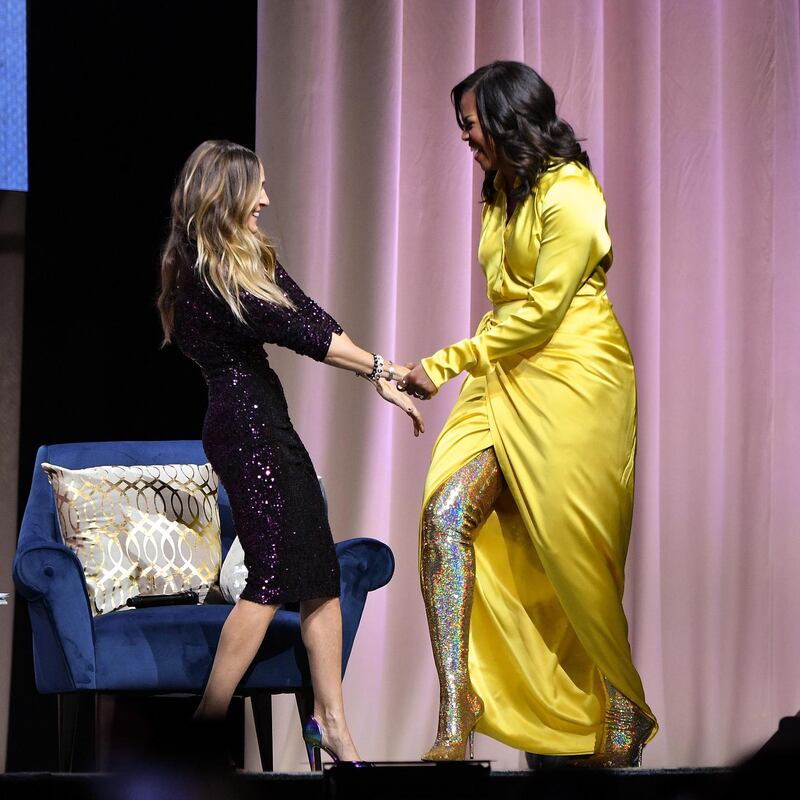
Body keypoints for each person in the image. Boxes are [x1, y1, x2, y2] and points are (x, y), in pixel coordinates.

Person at [399, 61, 658, 766]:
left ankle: (620, 704)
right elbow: (511, 309)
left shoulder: (572, 194)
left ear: (507, 119)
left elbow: (544, 312)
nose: (465, 138)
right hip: (505, 373)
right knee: (444, 516)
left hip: (576, 377)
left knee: (573, 557)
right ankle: (460, 708)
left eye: (471, 124)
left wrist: (444, 364)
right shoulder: (502, 194)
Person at [158, 140, 421, 764]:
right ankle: (206, 725)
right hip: (247, 430)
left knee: (318, 574)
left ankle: (331, 723)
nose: (267, 201)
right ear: (225, 195)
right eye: (257, 190)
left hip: (265, 423)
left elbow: (312, 317)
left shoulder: (243, 259)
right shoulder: (208, 272)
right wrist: (385, 366)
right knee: (275, 574)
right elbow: (300, 334)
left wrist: (375, 374)